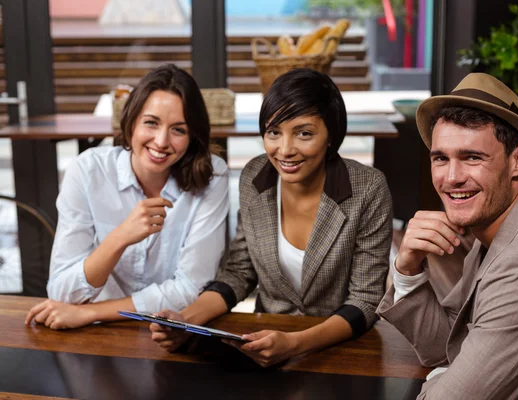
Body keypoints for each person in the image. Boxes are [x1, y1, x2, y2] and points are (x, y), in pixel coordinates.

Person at [377, 73, 518, 399]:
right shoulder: (506, 221)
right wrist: (407, 269)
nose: (451, 178)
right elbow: (444, 346)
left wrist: (444, 376)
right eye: (441, 158)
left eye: (472, 157)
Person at [150, 68, 393, 367]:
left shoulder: (367, 188)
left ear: (331, 135)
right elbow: (239, 273)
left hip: (343, 349)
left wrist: (295, 344)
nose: (285, 150)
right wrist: (184, 320)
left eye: (304, 133)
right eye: (274, 132)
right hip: (264, 347)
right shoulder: (255, 177)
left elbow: (365, 301)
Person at [25, 64, 229, 330]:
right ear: (131, 122)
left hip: (166, 330)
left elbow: (190, 289)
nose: (161, 141)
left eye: (178, 129)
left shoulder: (213, 176)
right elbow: (62, 292)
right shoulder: (88, 171)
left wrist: (89, 313)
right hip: (98, 334)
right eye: (151, 123)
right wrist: (120, 237)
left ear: (192, 136)